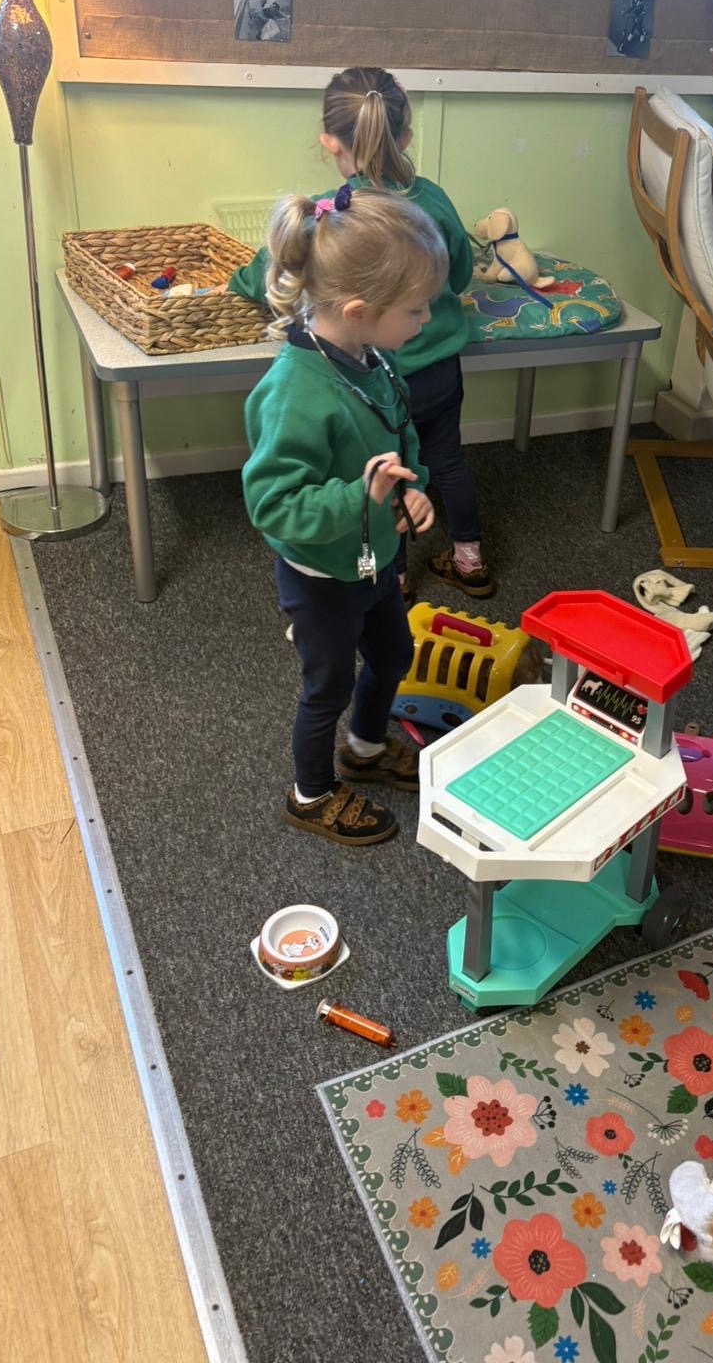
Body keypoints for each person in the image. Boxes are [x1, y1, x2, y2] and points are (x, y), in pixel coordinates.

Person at [228, 68, 493, 598]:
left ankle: (393, 576)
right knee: (443, 460)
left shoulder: (333, 216)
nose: (421, 318)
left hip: (389, 377)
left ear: (330, 142)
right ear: (406, 136)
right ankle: (467, 558)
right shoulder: (427, 200)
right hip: (440, 372)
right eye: (414, 309)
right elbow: (461, 273)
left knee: (386, 463)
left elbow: (266, 271)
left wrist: (233, 283)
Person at [242, 185, 448, 845]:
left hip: (374, 560)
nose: (426, 319)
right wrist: (360, 497)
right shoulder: (293, 393)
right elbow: (273, 505)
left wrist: (411, 491)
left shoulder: (373, 358)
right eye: (416, 309)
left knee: (393, 654)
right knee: (326, 687)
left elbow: (399, 436)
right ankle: (311, 793)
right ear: (359, 310)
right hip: (321, 577)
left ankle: (364, 749)